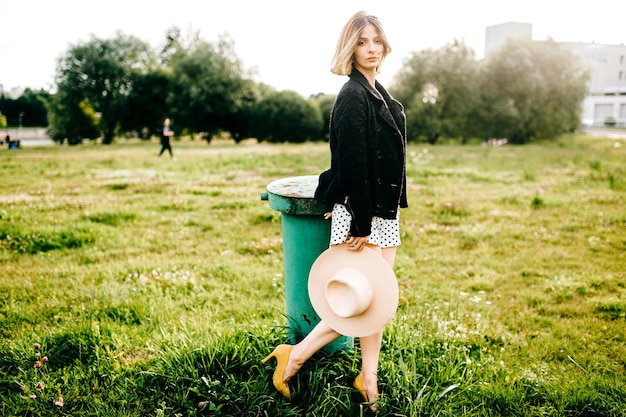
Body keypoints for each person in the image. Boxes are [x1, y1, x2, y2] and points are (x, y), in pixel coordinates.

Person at [261, 11, 407, 412]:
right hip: (363, 215)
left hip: (383, 214)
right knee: (361, 299)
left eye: (376, 40)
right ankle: (298, 355)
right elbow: (352, 162)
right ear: (350, 48)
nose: (371, 49)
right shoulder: (352, 95)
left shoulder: (380, 93)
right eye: (362, 42)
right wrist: (360, 222)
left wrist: (388, 212)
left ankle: (367, 378)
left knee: (378, 301)